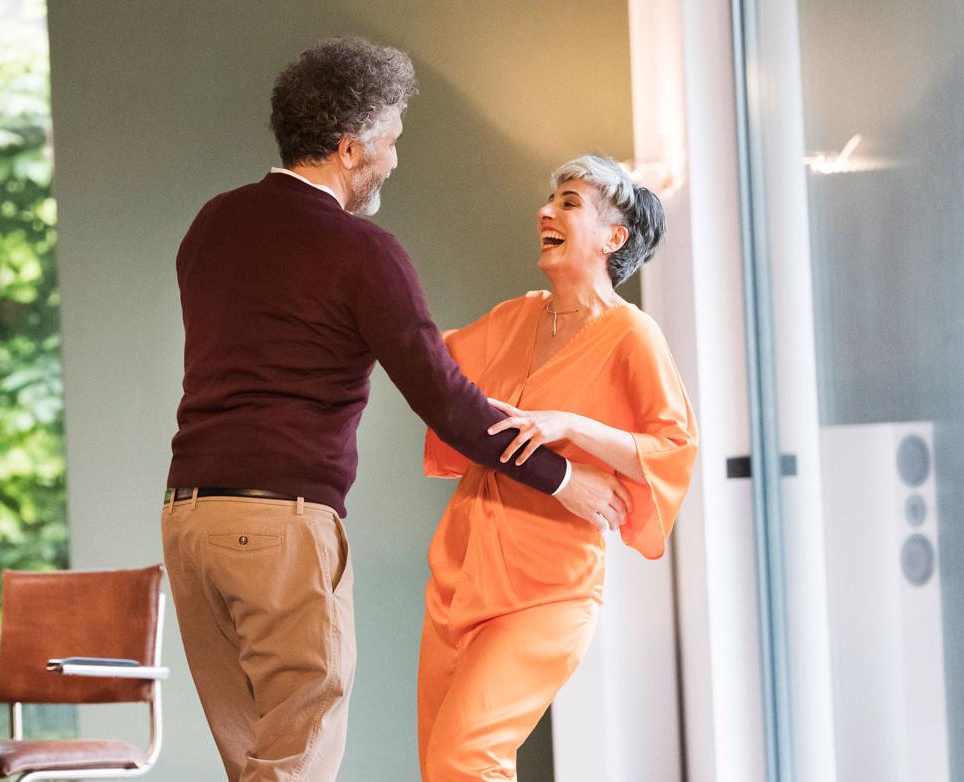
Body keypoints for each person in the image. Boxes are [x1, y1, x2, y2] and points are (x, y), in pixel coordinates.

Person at [161, 39, 631, 781]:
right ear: (350, 147)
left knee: (254, 761)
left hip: (189, 522)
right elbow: (446, 402)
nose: (393, 158)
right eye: (389, 140)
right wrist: (561, 477)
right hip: (279, 527)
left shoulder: (210, 225)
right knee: (296, 757)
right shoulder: (361, 250)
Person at [416, 154, 699, 781]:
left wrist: (574, 427)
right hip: (461, 572)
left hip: (548, 588)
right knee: (441, 766)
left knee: (468, 757)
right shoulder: (517, 315)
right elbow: (430, 372)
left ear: (613, 237)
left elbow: (674, 447)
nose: (546, 211)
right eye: (551, 200)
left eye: (569, 203)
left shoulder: (633, 335)